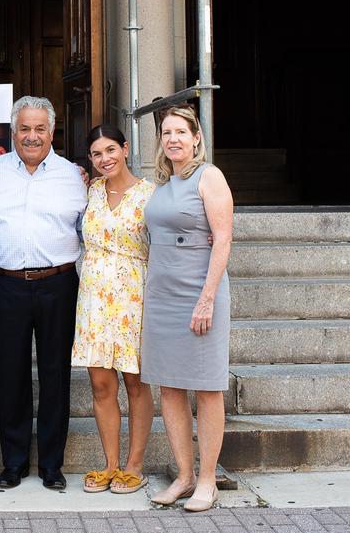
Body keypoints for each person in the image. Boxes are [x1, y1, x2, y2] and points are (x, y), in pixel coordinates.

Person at [0, 96, 86, 491]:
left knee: (55, 374)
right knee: (11, 374)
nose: (32, 136)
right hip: (5, 284)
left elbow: (88, 230)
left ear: (52, 131)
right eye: (24, 128)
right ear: (13, 130)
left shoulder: (74, 176)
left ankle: (52, 465)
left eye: (40, 128)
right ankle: (14, 462)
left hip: (59, 284)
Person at [140, 105, 233, 513]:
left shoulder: (208, 176)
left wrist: (207, 297)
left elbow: (224, 238)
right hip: (161, 293)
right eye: (166, 132)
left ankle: (208, 480)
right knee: (169, 386)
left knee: (207, 388)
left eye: (181, 131)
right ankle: (184, 475)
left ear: (196, 137)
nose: (173, 138)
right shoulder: (161, 183)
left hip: (199, 292)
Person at [71, 124, 155, 495]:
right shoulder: (89, 191)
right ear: (89, 160)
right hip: (93, 299)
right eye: (96, 154)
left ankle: (134, 465)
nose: (105, 159)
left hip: (134, 297)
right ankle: (109, 464)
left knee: (136, 383)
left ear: (124, 148)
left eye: (110, 150)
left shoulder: (149, 195)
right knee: (101, 384)